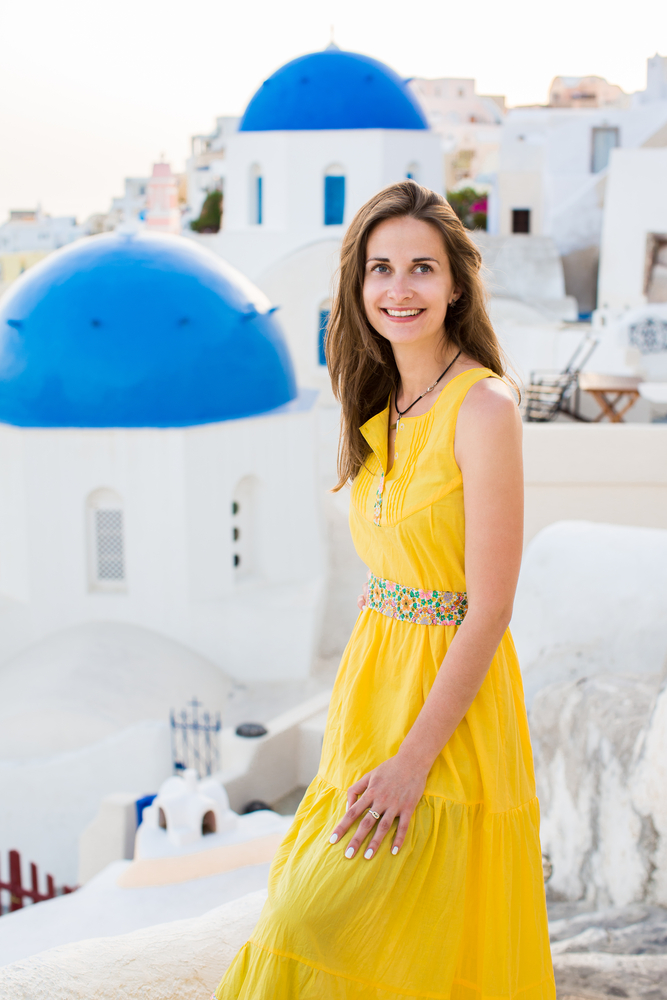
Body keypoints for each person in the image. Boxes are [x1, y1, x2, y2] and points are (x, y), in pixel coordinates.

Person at [213, 180, 555, 999]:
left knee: (323, 919)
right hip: (374, 694)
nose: (398, 289)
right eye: (379, 269)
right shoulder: (382, 402)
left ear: (455, 284)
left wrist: (411, 761)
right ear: (357, 285)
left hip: (448, 712)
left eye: (421, 269)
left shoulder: (483, 410)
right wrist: (372, 734)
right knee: (355, 927)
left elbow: (490, 605)